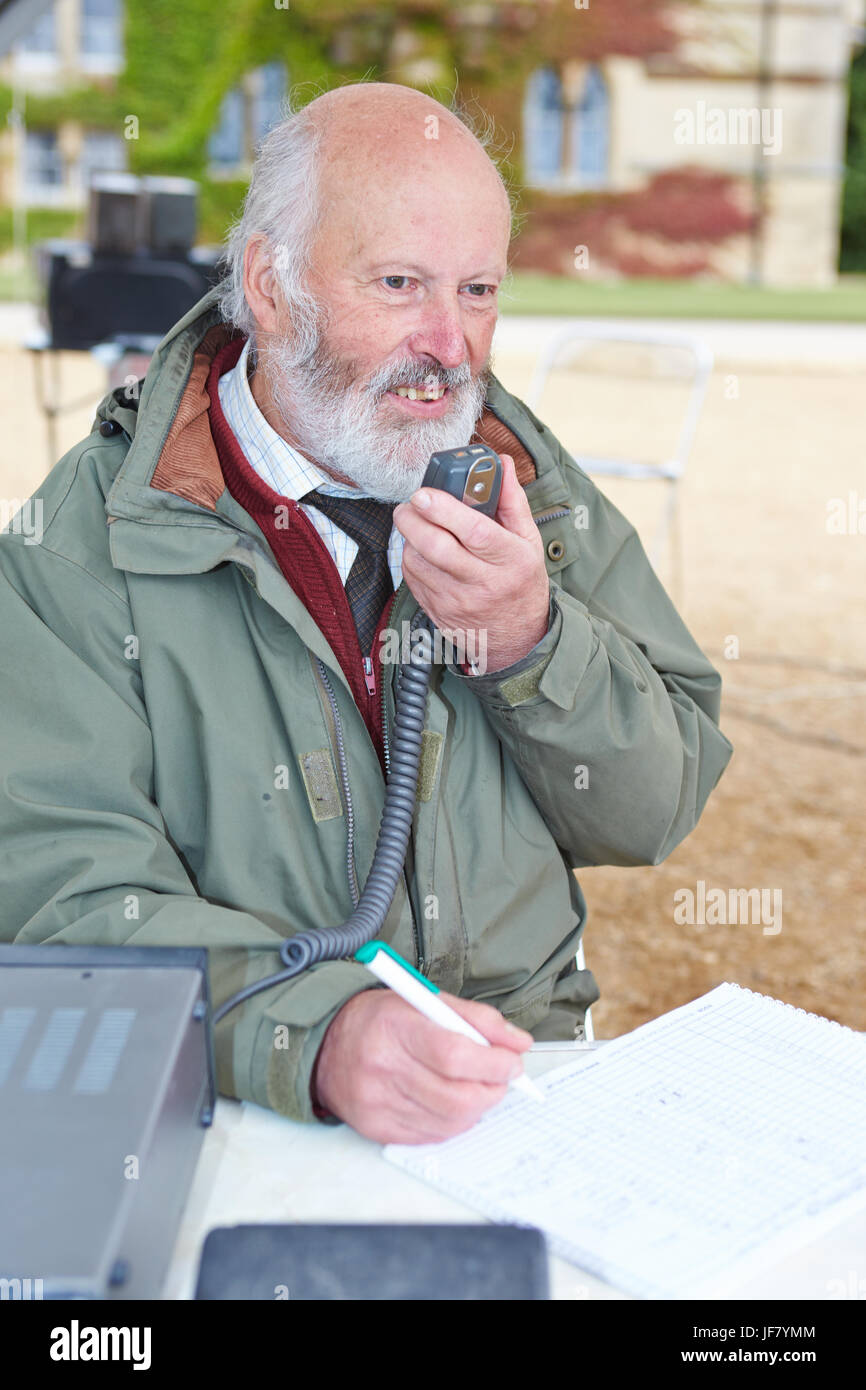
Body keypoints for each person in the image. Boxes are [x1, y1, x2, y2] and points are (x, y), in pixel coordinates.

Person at [0, 82, 732, 1145]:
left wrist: (530, 639)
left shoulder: (524, 477)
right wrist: (320, 1035)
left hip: (518, 1090)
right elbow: (64, 901)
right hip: (241, 1110)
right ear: (271, 284)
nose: (448, 344)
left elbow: (652, 808)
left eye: (476, 289)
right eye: (399, 283)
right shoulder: (82, 544)